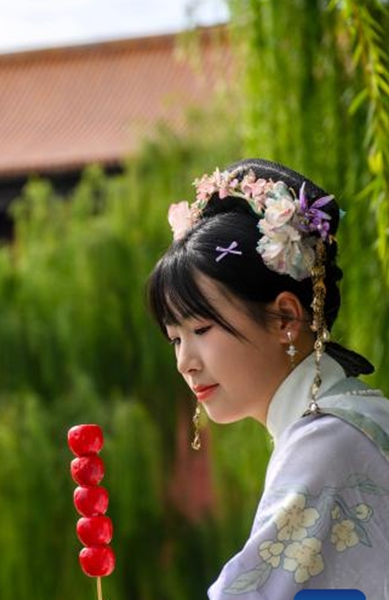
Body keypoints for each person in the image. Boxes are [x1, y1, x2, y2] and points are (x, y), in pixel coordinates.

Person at [146, 158, 389, 598]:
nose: (185, 362)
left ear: (285, 317)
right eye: (175, 340)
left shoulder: (327, 446)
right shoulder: (358, 417)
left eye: (201, 330)